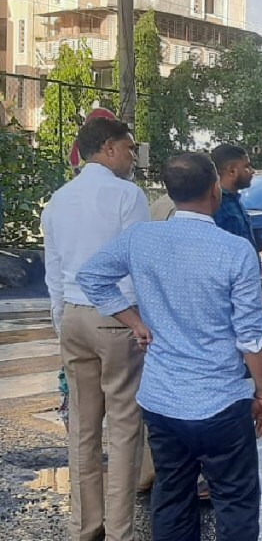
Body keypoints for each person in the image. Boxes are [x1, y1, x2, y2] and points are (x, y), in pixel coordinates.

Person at [77, 152, 262, 541]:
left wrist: (134, 321)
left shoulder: (141, 238)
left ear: (170, 191)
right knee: (235, 501)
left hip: (162, 400)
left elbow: (92, 277)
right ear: (216, 189)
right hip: (221, 401)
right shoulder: (235, 251)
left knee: (172, 495)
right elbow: (250, 335)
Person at [41, 117, 149, 541]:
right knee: (124, 430)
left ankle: (84, 528)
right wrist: (140, 322)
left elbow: (53, 269)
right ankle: (120, 532)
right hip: (117, 318)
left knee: (83, 429)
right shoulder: (127, 195)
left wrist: (60, 318)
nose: (132, 156)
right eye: (128, 147)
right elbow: (136, 265)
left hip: (72, 316)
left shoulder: (59, 199)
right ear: (108, 148)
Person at [211, 144, 258, 249]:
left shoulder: (234, 199)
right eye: (246, 166)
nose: (252, 171)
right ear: (232, 171)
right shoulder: (216, 204)